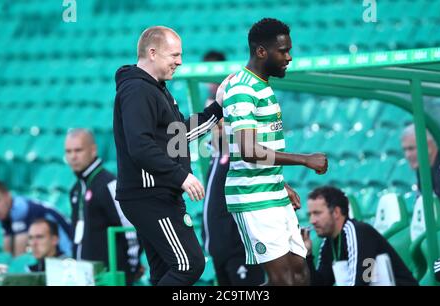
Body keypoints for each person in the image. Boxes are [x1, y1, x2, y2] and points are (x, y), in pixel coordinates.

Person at [113, 26, 231, 286]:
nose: (180, 61)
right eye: (174, 55)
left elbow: (177, 136)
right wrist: (181, 177)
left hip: (155, 194)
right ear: (153, 53)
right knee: (189, 264)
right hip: (149, 196)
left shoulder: (156, 88)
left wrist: (217, 109)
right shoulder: (137, 90)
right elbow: (140, 147)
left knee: (164, 271)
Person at [222, 18, 328, 286]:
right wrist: (304, 160)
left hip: (272, 191)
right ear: (261, 51)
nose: (289, 57)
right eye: (283, 51)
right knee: (284, 280)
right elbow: (248, 150)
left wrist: (280, 181)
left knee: (300, 274)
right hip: (253, 197)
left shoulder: (262, 86)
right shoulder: (242, 88)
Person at [201, 50, 265, 285]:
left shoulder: (240, 157)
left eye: (220, 120)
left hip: (240, 251)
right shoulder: (217, 158)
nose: (215, 126)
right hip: (219, 251)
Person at [65, 128, 141, 285]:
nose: (73, 156)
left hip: (110, 278)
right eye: (68, 151)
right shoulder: (76, 189)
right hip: (84, 279)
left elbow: (131, 230)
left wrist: (129, 270)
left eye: (78, 150)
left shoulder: (109, 184)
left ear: (93, 150)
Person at [303, 186, 418, 286]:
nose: (312, 220)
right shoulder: (330, 242)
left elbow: (360, 282)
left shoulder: (358, 232)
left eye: (317, 213)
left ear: (336, 212)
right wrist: (307, 254)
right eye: (310, 215)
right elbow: (320, 283)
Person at [0, 181, 72, 257]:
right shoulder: (6, 213)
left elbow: (19, 256)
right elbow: (7, 253)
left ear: (8, 196)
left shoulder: (20, 207)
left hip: (67, 251)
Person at [401, 124, 440, 213]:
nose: (407, 155)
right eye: (404, 150)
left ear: (429, 146)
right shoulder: (422, 169)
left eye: (411, 148)